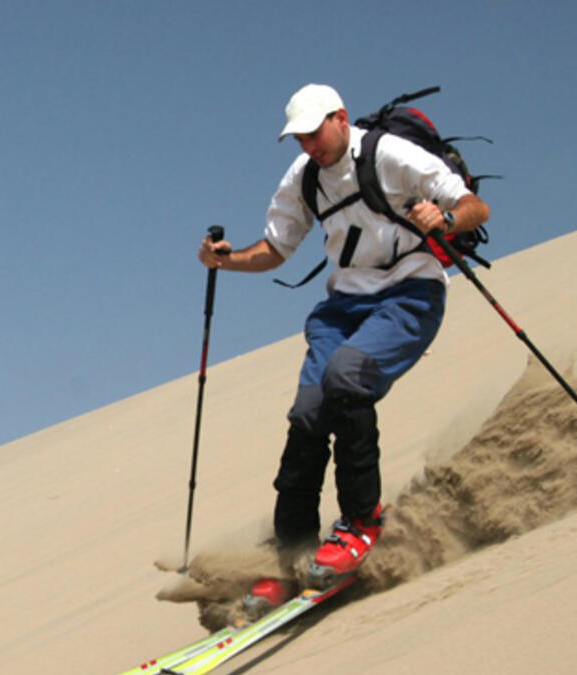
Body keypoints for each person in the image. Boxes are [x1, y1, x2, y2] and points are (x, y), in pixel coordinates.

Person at [197, 83, 490, 583]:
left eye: (315, 133)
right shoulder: (303, 178)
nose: (310, 146)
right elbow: (274, 249)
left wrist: (444, 217)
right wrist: (224, 262)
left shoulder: (389, 154)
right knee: (308, 414)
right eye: (300, 139)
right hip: (344, 306)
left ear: (341, 118)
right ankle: (291, 551)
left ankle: (361, 521)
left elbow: (474, 208)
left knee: (346, 378)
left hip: (409, 293)